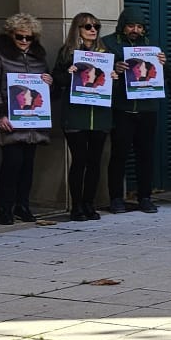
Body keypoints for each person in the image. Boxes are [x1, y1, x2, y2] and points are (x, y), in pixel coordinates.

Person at [0, 13, 51, 225]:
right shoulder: (0, 55)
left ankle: (23, 205)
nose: (23, 41)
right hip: (10, 120)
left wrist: (49, 82)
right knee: (12, 164)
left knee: (28, 165)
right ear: (10, 35)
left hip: (33, 121)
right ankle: (5, 207)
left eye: (28, 38)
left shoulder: (39, 58)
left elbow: (45, 88)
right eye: (19, 37)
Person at [104, 7, 161, 213]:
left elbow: (161, 77)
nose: (135, 30)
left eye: (139, 26)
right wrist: (116, 70)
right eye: (131, 26)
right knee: (119, 155)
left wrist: (161, 65)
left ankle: (145, 197)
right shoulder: (108, 43)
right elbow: (101, 75)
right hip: (122, 108)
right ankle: (116, 198)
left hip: (147, 109)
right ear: (123, 25)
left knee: (146, 154)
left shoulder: (151, 46)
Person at [55, 12, 110, 221]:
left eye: (96, 26)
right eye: (88, 26)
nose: (93, 30)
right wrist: (67, 74)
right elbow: (55, 78)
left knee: (95, 161)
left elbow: (112, 82)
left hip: (99, 115)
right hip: (76, 114)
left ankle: (89, 203)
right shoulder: (67, 52)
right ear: (78, 29)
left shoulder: (105, 52)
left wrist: (113, 76)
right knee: (79, 160)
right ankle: (76, 205)